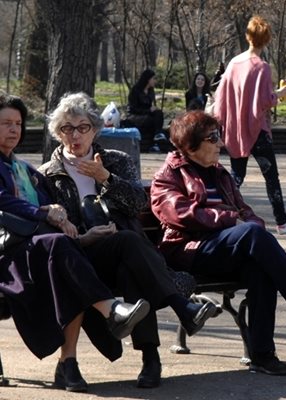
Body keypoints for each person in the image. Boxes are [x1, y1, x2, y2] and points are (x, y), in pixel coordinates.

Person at [39, 92, 217, 389]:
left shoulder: (116, 161)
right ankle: (179, 309)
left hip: (123, 255)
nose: (75, 135)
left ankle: (150, 360)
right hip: (79, 258)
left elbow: (137, 204)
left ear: (95, 129)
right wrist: (85, 237)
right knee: (130, 247)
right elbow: (50, 230)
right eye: (67, 129)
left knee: (130, 262)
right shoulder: (46, 174)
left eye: (82, 127)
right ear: (58, 134)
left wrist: (105, 177)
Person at [150, 110, 286, 376]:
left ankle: (262, 355)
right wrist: (233, 222)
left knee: (261, 268)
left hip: (228, 247)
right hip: (190, 250)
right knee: (251, 234)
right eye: (213, 137)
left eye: (219, 136)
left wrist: (249, 225)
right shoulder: (168, 176)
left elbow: (245, 211)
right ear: (191, 145)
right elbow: (179, 215)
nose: (220, 143)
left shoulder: (220, 173)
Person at [0, 92, 149, 392]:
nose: (14, 130)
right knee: (62, 251)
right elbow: (4, 203)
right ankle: (111, 311)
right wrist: (44, 212)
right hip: (8, 253)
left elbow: (52, 215)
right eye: (5, 123)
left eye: (18, 123)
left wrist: (73, 230)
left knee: (67, 256)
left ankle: (68, 363)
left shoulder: (25, 171)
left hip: (38, 250)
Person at [211, 15, 286, 234]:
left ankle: (218, 213)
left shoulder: (234, 63)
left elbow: (220, 97)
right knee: (271, 177)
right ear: (267, 39)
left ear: (248, 36)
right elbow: (264, 101)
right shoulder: (262, 67)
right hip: (257, 131)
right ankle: (282, 221)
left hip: (235, 130)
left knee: (236, 177)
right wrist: (281, 93)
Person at [125, 68, 165, 152]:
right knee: (150, 120)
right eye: (153, 79)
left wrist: (152, 110)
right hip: (134, 115)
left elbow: (148, 106)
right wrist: (148, 111)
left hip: (146, 113)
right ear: (148, 79)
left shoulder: (150, 91)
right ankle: (152, 143)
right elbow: (133, 108)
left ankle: (158, 135)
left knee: (159, 114)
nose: (155, 81)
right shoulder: (135, 90)